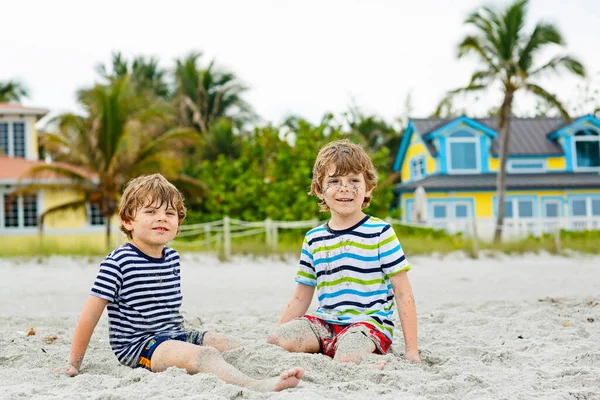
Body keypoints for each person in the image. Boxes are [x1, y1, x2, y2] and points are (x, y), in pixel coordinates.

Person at [58, 173, 303, 392]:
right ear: (128, 221)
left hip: (177, 334)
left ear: (178, 222)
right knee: (204, 356)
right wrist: (73, 363)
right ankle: (256, 386)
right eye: (151, 212)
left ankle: (290, 367)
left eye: (169, 213)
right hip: (141, 345)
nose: (161, 218)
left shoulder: (172, 257)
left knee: (227, 343)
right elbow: (90, 315)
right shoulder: (118, 261)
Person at [267, 139, 420, 367]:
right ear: (319, 190)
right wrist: (274, 340)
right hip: (324, 322)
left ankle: (368, 361)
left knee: (348, 357)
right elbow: (301, 296)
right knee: (277, 341)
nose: (345, 188)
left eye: (354, 180)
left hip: (367, 325)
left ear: (368, 188)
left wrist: (412, 351)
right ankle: (326, 349)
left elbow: (403, 293)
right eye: (334, 181)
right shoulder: (313, 238)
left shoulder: (381, 233)